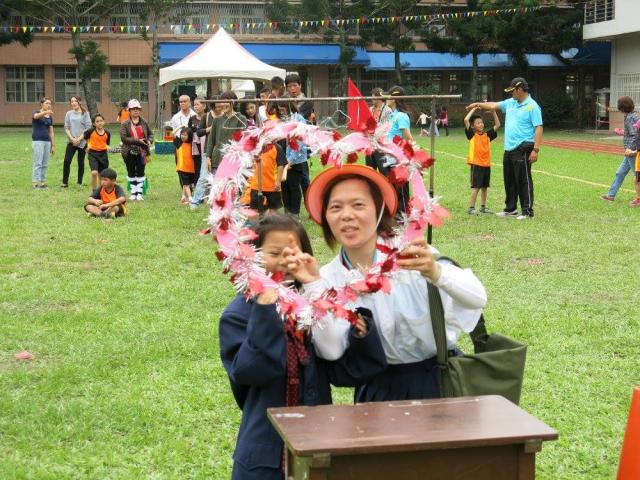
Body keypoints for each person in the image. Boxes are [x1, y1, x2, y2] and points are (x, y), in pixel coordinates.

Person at [284, 164, 487, 402]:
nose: (347, 215)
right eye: (336, 207)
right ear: (326, 217)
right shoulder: (327, 278)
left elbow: (478, 298)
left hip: (438, 384)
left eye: (358, 205)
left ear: (379, 210)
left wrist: (436, 272)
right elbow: (332, 351)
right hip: (376, 392)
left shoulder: (411, 256)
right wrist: (314, 286)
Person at [219, 213, 386, 480]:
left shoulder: (311, 307)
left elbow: (346, 370)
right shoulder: (240, 314)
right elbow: (252, 372)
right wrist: (265, 310)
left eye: (293, 253)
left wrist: (360, 335)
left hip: (317, 442)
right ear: (252, 258)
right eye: (275, 253)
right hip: (264, 451)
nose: (285, 261)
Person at [466, 77, 543, 220]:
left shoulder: (532, 106)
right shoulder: (510, 103)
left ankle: (527, 211)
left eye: (512, 91)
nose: (511, 94)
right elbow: (493, 105)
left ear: (520, 89)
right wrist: (478, 104)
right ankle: (510, 209)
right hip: (509, 149)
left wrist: (536, 149)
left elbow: (538, 127)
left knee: (523, 180)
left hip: (523, 147)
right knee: (509, 180)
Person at [600, 96, 639, 203]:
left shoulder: (630, 118)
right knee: (620, 173)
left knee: (637, 176)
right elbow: (633, 132)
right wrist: (623, 132)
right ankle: (611, 195)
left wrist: (630, 149)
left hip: (631, 152)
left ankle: (638, 198)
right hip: (629, 152)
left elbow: (635, 135)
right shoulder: (632, 116)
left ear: (622, 107)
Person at [463, 108, 501, 215]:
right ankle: (471, 208)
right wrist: (473, 109)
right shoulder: (471, 135)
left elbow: (498, 125)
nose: (481, 124)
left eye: (481, 122)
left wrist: (493, 112)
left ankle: (483, 207)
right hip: (477, 165)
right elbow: (466, 120)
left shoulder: (487, 135)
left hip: (486, 165)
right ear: (472, 126)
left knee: (484, 187)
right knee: (476, 187)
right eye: (478, 123)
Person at [190, 96, 224, 209]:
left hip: (222, 151)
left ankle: (217, 203)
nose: (218, 109)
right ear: (212, 106)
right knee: (203, 177)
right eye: (216, 107)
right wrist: (210, 128)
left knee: (220, 178)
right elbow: (199, 132)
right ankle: (195, 202)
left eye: (220, 106)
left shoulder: (225, 116)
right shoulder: (207, 116)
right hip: (208, 151)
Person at [278, 98, 308, 219]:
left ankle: (295, 214)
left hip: (296, 160)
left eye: (283, 110)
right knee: (284, 187)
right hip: (284, 159)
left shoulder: (299, 119)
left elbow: (299, 142)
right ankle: (287, 214)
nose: (282, 112)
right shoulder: (283, 120)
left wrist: (290, 160)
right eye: (280, 110)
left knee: (294, 187)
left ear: (289, 106)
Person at [385, 85, 413, 213]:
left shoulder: (401, 116)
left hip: (399, 158)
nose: (386, 99)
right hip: (390, 157)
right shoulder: (392, 116)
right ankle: (396, 213)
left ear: (395, 98)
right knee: (393, 188)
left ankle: (403, 215)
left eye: (388, 96)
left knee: (401, 189)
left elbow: (408, 138)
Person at [285, 73, 314, 194]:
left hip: (302, 143)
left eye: (295, 85)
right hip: (288, 143)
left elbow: (299, 118)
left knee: (304, 178)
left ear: (300, 86)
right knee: (290, 179)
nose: (292, 89)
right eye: (289, 86)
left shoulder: (307, 102)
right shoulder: (284, 101)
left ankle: (309, 200)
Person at [120, 99, 153, 201]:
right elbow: (124, 138)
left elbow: (150, 134)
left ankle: (139, 193)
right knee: (130, 170)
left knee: (140, 170)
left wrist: (149, 141)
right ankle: (133, 193)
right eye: (133, 109)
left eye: (137, 108)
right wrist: (138, 141)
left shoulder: (144, 122)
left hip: (142, 152)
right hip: (128, 151)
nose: (135, 110)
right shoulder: (125, 124)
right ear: (129, 110)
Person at [246, 143, 286, 214]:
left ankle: (271, 221)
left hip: (272, 185)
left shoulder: (277, 147)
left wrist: (278, 181)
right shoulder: (256, 145)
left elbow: (281, 165)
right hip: (256, 185)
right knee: (254, 210)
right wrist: (254, 158)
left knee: (273, 211)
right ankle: (256, 220)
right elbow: (248, 161)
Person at [62, 95, 91, 188]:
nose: (73, 103)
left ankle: (79, 182)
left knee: (80, 162)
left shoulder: (85, 113)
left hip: (82, 142)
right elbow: (66, 127)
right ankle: (65, 183)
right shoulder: (68, 114)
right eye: (72, 101)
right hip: (71, 141)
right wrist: (72, 139)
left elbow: (88, 128)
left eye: (75, 101)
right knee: (67, 160)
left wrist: (79, 139)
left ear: (79, 102)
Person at [365, 88, 392, 172]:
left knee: (383, 170)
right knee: (370, 170)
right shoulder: (370, 109)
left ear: (379, 98)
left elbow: (387, 128)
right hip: (370, 144)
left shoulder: (388, 110)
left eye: (373, 97)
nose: (371, 99)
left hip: (381, 146)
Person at [31, 96, 55, 189]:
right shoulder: (36, 112)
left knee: (45, 163)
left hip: (47, 142)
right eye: (46, 103)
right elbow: (36, 117)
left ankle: (42, 182)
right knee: (38, 162)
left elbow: (51, 132)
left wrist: (53, 145)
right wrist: (45, 112)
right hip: (38, 141)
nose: (49, 105)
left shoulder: (50, 117)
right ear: (41, 104)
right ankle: (35, 183)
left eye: (50, 103)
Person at [83, 113, 111, 191]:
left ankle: (100, 190)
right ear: (94, 124)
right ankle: (94, 191)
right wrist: (88, 145)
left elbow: (106, 144)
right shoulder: (91, 131)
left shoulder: (107, 133)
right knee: (94, 173)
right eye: (97, 121)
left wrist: (108, 148)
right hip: (93, 154)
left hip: (103, 154)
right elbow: (85, 137)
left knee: (102, 175)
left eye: (101, 121)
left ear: (104, 122)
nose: (99, 123)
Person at [174, 128, 196, 204]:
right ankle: (190, 198)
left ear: (189, 136)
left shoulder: (192, 144)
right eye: (182, 134)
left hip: (190, 168)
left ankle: (183, 197)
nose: (182, 136)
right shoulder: (179, 143)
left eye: (185, 135)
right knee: (186, 184)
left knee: (186, 183)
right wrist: (180, 127)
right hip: (182, 168)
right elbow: (173, 134)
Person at [188, 97, 207, 185]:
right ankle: (196, 186)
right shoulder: (192, 119)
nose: (195, 106)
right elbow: (189, 132)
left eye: (198, 104)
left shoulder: (208, 117)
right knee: (196, 167)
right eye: (194, 105)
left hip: (206, 147)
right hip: (195, 148)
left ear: (204, 106)